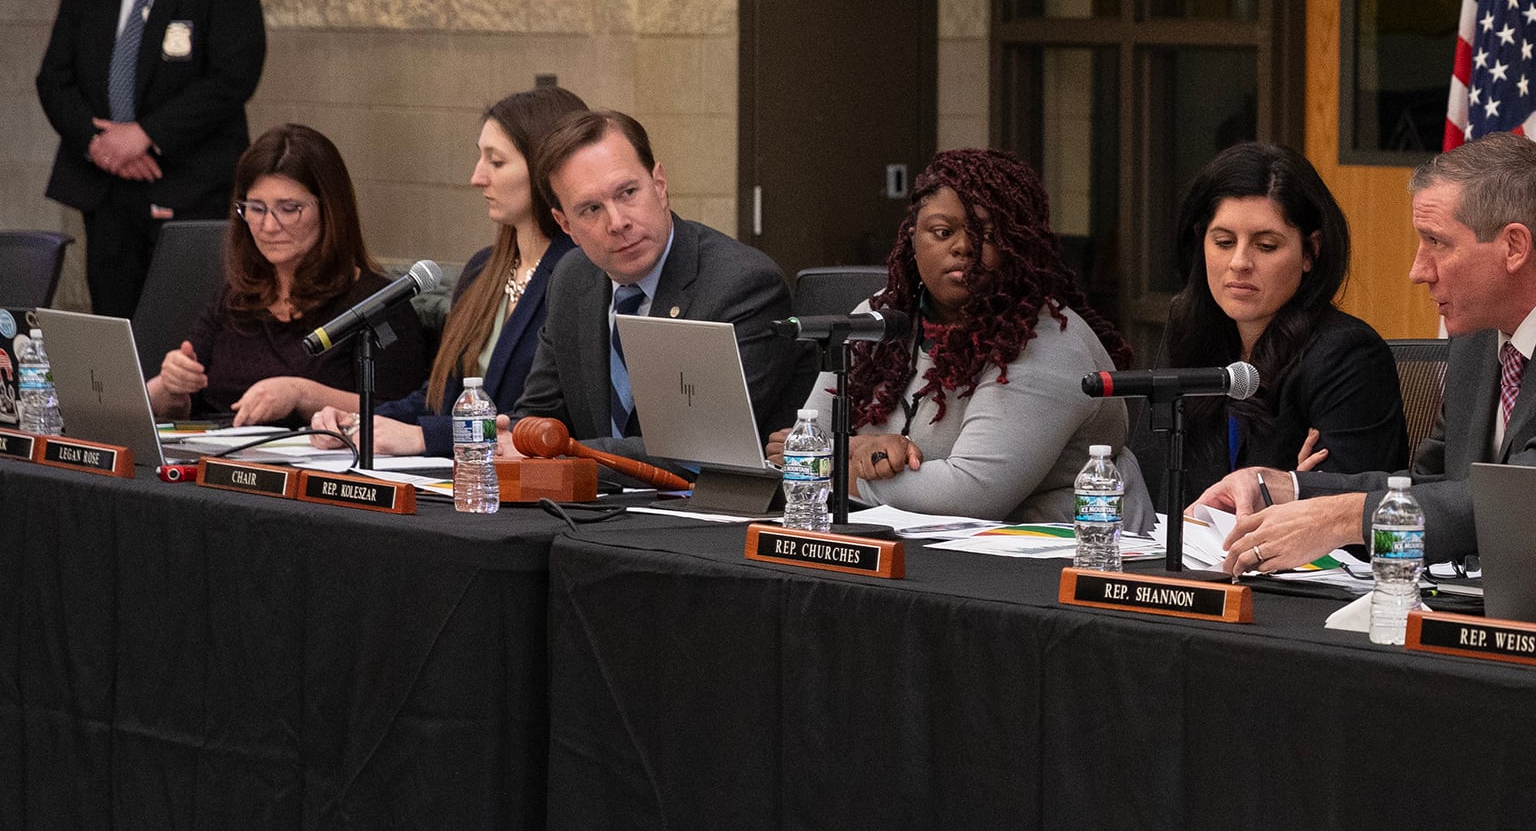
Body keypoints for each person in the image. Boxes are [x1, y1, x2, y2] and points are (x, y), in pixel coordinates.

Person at [1201, 132, 1536, 575]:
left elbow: (1532, 499)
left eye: (1436, 242)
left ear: (1514, 246)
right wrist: (1288, 488)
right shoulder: (1480, 333)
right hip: (1504, 609)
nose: (1418, 269)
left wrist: (1342, 520)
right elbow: (1433, 486)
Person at [771, 148, 1152, 527]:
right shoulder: (875, 321)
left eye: (987, 235)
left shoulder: (1045, 342)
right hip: (925, 550)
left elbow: (971, 494)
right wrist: (854, 452)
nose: (963, 246)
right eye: (943, 231)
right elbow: (797, 445)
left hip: (1065, 556)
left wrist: (833, 467)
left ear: (1018, 246)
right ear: (912, 238)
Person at [36, 0, 267, 317]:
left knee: (185, 323)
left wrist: (144, 136)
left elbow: (232, 79)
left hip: (187, 185)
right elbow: (53, 79)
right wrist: (100, 143)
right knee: (115, 320)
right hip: (106, 191)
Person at [312, 87, 591, 457]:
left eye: (496, 162)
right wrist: (359, 422)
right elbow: (440, 400)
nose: (477, 177)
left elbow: (549, 420)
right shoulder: (482, 270)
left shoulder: (580, 275)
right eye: (481, 159)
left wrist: (426, 438)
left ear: (545, 170)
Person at [507, 109, 801, 455]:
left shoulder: (742, 285)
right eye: (591, 209)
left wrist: (562, 453)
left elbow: (700, 447)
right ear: (565, 224)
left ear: (659, 185)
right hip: (598, 505)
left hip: (706, 506)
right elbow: (540, 413)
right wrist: (515, 438)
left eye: (628, 192)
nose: (617, 222)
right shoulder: (572, 279)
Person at [1160, 143, 1406, 484]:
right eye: (1224, 242)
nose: (1240, 263)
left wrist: (1292, 490)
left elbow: (1337, 512)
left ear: (1310, 252)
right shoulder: (1191, 331)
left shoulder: (1347, 356)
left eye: (1266, 246)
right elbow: (1156, 484)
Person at [146, 124, 423, 424]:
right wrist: (171, 386)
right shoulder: (235, 297)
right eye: (256, 208)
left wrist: (302, 394)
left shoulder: (377, 304)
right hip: (220, 457)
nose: (268, 226)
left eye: (289, 209)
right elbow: (182, 409)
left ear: (329, 210)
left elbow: (402, 411)